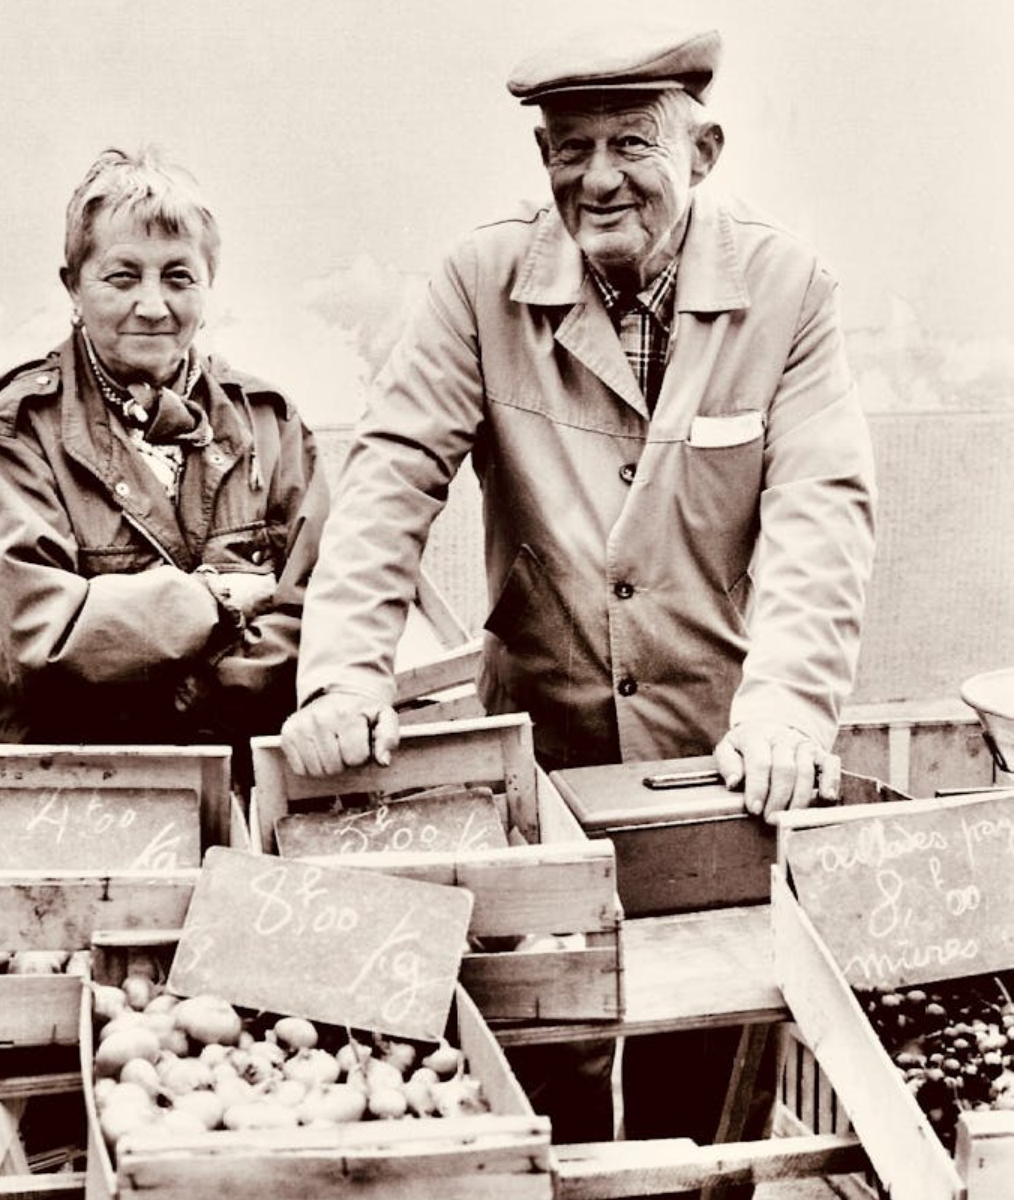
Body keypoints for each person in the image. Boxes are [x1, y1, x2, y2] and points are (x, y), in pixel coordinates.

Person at [280, 19, 876, 1161]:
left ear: (703, 151)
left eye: (629, 143)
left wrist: (792, 703)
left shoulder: (789, 290)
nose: (595, 178)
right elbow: (392, 473)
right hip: (541, 755)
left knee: (699, 1081)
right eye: (567, 147)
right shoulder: (479, 280)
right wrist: (347, 673)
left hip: (714, 760)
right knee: (535, 1052)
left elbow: (822, 514)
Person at [0, 146, 327, 761]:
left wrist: (195, 689)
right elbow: (40, 638)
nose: (152, 305)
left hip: (247, 764)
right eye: (122, 277)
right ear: (73, 286)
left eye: (178, 277)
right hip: (77, 775)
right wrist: (218, 600)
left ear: (208, 287)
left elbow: (324, 604)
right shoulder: (14, 435)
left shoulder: (270, 421)